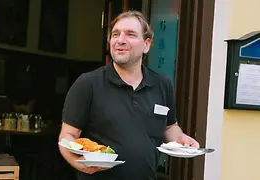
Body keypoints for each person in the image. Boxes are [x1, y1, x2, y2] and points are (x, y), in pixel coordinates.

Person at [58, 10, 199, 180]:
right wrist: (77, 163)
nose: (120, 40)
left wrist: (183, 140)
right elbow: (68, 136)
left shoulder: (162, 85)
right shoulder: (88, 83)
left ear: (146, 45)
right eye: (115, 34)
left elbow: (169, 127)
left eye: (130, 34)